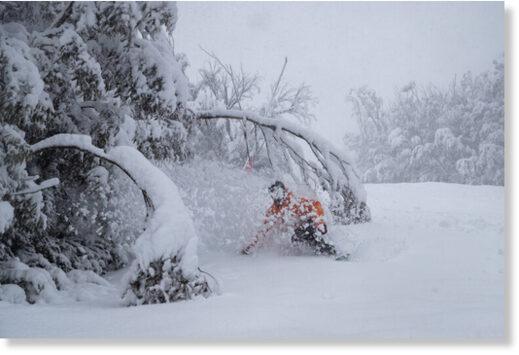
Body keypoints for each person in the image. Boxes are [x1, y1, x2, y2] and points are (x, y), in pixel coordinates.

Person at [241, 181, 337, 256]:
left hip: (312, 223)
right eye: (274, 195)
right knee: (295, 239)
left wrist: (319, 222)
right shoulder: (273, 211)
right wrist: (251, 246)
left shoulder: (294, 202)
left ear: (284, 193)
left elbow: (316, 204)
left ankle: (331, 251)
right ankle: (308, 255)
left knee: (303, 234)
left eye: (279, 194)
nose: (278, 199)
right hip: (299, 228)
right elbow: (264, 230)